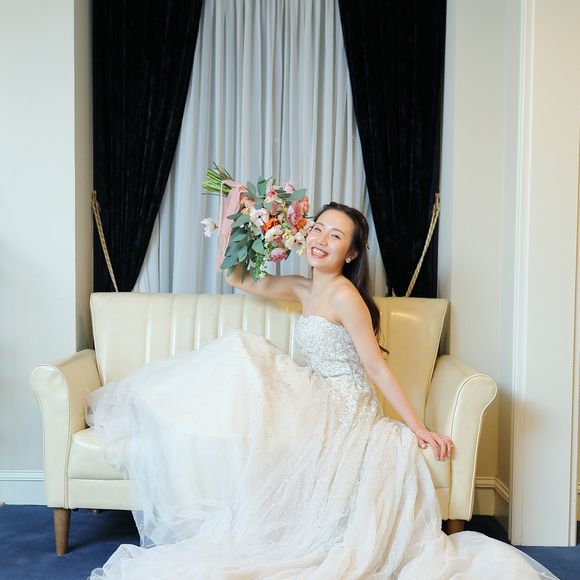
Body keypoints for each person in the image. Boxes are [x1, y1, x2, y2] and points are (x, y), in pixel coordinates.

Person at [88, 202, 558, 579]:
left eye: (336, 236)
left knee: (243, 349)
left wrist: (418, 428)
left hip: (345, 403)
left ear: (351, 254)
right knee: (240, 349)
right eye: (317, 229)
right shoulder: (302, 288)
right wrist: (236, 211)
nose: (321, 239)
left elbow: (375, 367)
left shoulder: (345, 297)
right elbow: (234, 275)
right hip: (314, 390)